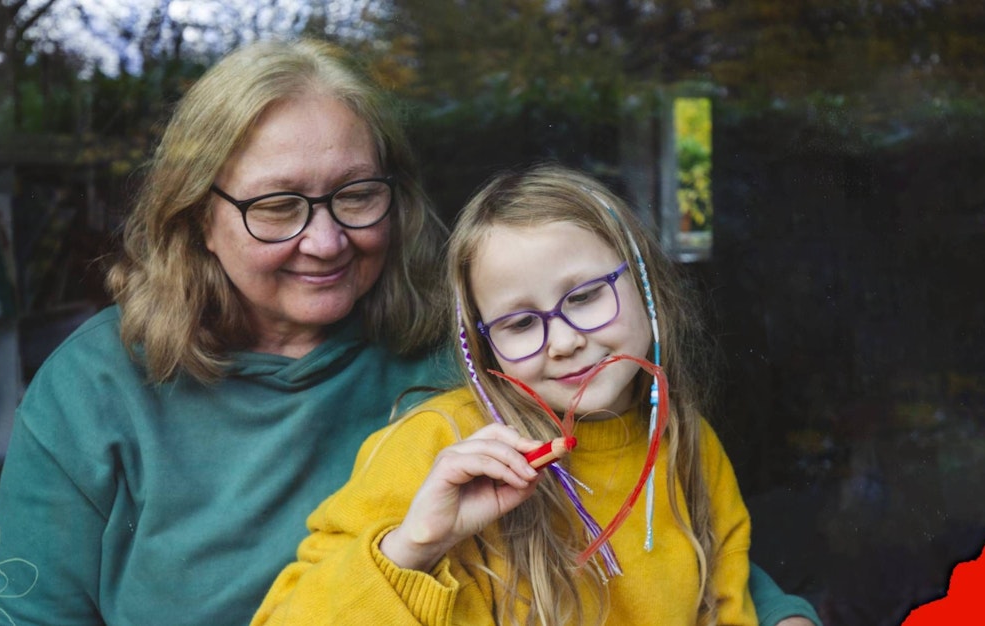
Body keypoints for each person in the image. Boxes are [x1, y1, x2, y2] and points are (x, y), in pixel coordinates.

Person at [0, 41, 818, 625]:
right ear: (199, 217)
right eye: (278, 206)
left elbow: (656, 520)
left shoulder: (476, 354)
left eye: (356, 195)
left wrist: (777, 616)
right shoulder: (95, 388)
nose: (326, 239)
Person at [256, 165, 760, 624]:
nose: (564, 342)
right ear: (483, 345)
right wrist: (414, 544)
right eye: (520, 324)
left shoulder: (689, 444)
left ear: (645, 280)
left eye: (584, 297)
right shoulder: (436, 444)